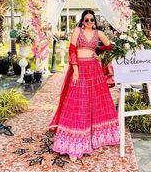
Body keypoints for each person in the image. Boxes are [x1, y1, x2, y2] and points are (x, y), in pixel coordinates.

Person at [49, 9, 120, 162]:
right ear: (82, 21)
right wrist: (75, 68)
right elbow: (72, 49)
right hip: (80, 68)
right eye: (86, 20)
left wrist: (99, 55)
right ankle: (74, 142)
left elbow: (109, 47)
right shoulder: (77, 31)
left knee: (95, 101)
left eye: (92, 20)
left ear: (95, 21)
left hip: (94, 69)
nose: (89, 22)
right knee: (77, 102)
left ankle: (96, 138)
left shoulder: (98, 34)